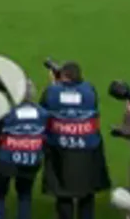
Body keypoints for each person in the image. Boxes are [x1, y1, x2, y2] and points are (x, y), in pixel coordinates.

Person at [39, 62, 107, 219]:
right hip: (87, 151)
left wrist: (55, 85)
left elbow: (44, 108)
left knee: (63, 194)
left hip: (60, 150)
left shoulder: (52, 91)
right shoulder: (89, 90)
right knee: (87, 193)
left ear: (63, 76)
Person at [0, 92, 44, 219]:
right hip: (31, 160)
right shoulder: (42, 113)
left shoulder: (6, 113)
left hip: (6, 160)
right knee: (25, 195)